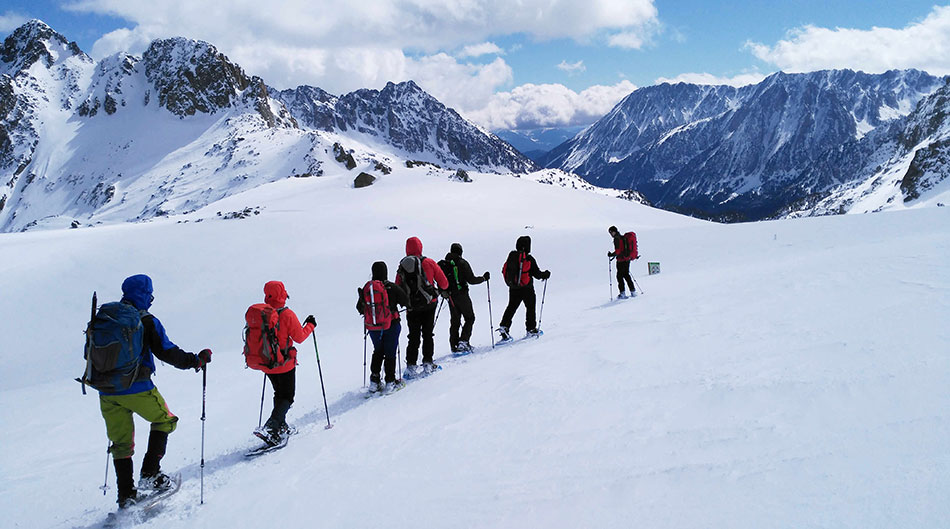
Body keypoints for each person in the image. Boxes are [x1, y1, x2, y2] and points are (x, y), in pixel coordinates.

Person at [98, 274, 212, 508]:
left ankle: (126, 496)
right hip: (137, 387)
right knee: (165, 420)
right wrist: (196, 361)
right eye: (150, 293)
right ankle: (151, 473)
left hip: (106, 390)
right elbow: (167, 352)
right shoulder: (146, 320)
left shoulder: (106, 318)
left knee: (121, 443)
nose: (151, 298)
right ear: (143, 293)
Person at [253, 281, 315, 445]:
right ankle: (271, 427)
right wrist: (310, 325)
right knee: (288, 396)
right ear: (282, 294)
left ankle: (281, 425)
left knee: (279, 394)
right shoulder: (287, 315)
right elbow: (299, 337)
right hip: (284, 364)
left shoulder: (262, 313)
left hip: (267, 364)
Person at [396, 236, 449, 376]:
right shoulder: (428, 262)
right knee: (427, 334)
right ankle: (428, 363)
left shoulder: (402, 265)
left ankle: (411, 366)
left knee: (413, 336)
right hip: (429, 304)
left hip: (411, 307)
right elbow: (444, 283)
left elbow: (398, 288)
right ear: (420, 247)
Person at [356, 261, 409, 393]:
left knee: (378, 351)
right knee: (390, 353)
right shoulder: (391, 287)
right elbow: (405, 301)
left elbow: (359, 308)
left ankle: (374, 381)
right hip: (391, 325)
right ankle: (390, 382)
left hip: (373, 327)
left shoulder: (368, 288)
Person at [498, 236, 550, 341]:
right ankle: (531, 329)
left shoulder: (511, 256)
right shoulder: (528, 258)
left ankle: (504, 327)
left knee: (511, 307)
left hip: (513, 287)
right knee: (530, 307)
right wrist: (545, 274)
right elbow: (537, 274)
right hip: (527, 288)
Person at [439, 243, 488, 353]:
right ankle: (463, 341)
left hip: (450, 296)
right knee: (470, 317)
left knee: (455, 321)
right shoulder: (462, 263)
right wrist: (483, 278)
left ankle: (454, 345)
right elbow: (471, 279)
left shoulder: (443, 264)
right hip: (462, 294)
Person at [607, 225, 638, 298]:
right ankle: (633, 291)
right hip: (627, 259)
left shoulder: (616, 239)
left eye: (611, 232)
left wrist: (611, 254)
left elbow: (618, 251)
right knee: (626, 275)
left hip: (621, 260)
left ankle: (622, 293)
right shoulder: (622, 237)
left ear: (614, 232)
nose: (611, 234)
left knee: (619, 276)